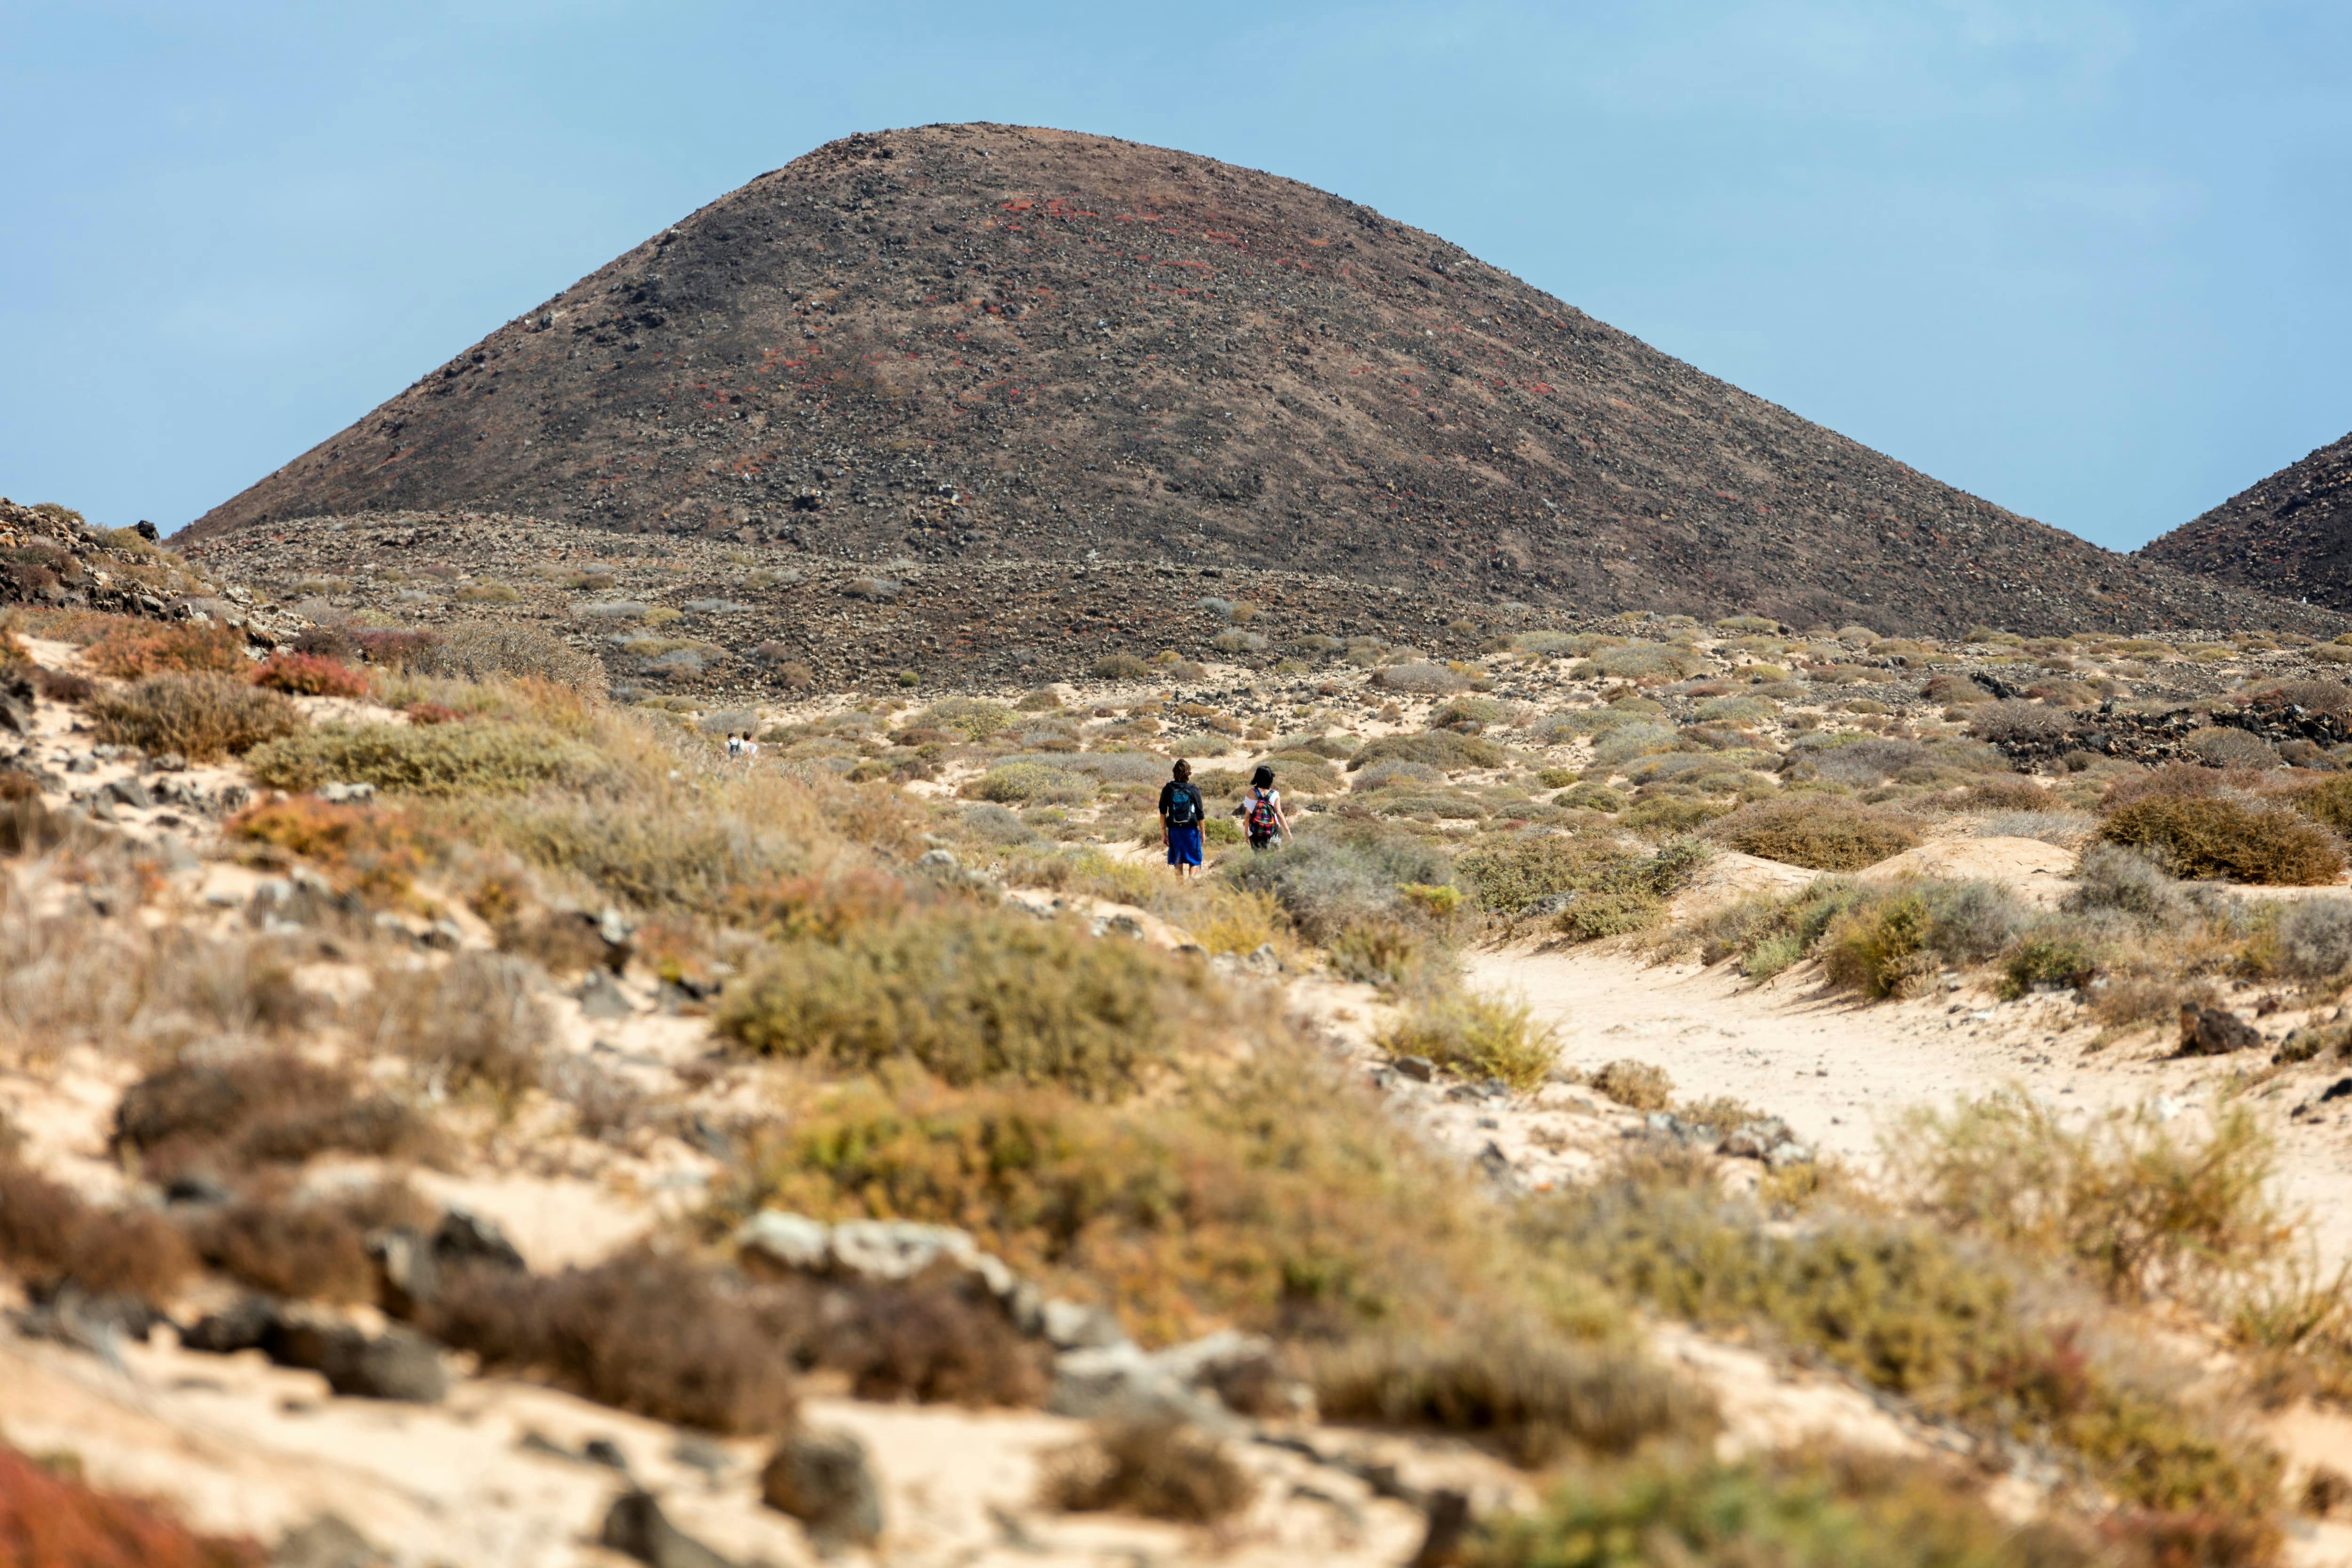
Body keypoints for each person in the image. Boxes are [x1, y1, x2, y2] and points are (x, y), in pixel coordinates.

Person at [1159, 759, 1206, 879]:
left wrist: (1164, 833)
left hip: (1175, 831)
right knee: (1195, 860)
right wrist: (1203, 832)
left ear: (1174, 772)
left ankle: (1180, 888)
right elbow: (1200, 813)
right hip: (1190, 831)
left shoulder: (1168, 789)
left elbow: (1163, 812)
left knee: (1178, 861)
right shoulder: (1193, 789)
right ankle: (1191, 881)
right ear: (1188, 773)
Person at [1242, 764, 1290, 851]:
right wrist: (1288, 831)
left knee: (1259, 859)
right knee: (1273, 858)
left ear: (1257, 777)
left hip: (1255, 833)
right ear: (1270, 778)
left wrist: (1246, 833)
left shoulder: (1251, 793)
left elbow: (1247, 817)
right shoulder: (1275, 794)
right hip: (1273, 832)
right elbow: (1279, 814)